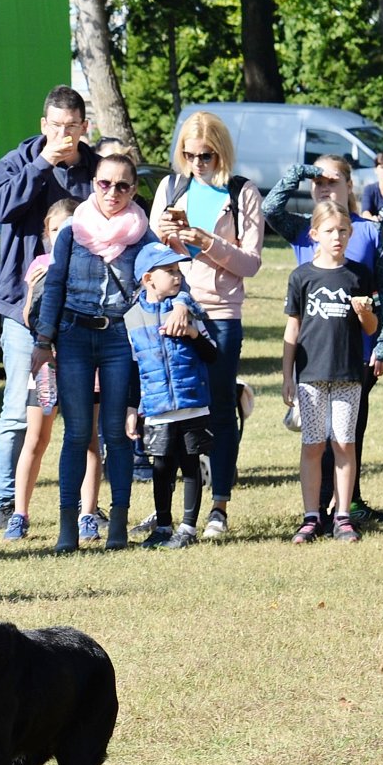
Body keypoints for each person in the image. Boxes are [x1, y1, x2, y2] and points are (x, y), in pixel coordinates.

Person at [32, 152, 160, 552]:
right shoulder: (72, 231)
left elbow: (169, 274)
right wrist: (42, 341)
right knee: (76, 434)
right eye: (105, 184)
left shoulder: (142, 234)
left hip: (119, 338)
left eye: (123, 186)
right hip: (73, 335)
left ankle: (117, 523)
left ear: (134, 190)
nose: (113, 193)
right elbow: (53, 287)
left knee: (119, 435)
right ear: (93, 184)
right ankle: (68, 526)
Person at [0, 86, 100, 531]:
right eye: (56, 126)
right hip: (22, 308)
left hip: (83, 309)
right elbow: (0, 209)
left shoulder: (96, 171)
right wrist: (44, 163)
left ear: (84, 127)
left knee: (83, 411)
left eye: (71, 127)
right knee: (20, 409)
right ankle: (8, 500)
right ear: (43, 125)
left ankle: (87, 505)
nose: (64, 135)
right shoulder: (17, 162)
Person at [261, 155, 383, 522]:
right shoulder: (305, 228)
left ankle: (349, 502)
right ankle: (318, 507)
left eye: (331, 181)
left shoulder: (367, 230)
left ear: (349, 186)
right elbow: (270, 207)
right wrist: (303, 172)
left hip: (359, 347)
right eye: (317, 183)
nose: (323, 187)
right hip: (316, 348)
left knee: (350, 429)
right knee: (318, 435)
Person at [150, 111, 263, 539]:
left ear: (222, 153)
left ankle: (220, 505)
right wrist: (161, 233)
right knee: (177, 407)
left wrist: (208, 242)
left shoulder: (242, 192)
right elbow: (154, 255)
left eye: (207, 155)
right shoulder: (170, 187)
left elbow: (251, 262)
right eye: (190, 154)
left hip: (220, 312)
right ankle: (178, 508)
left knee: (217, 407)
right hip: (176, 307)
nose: (198, 163)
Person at [283, 200, 379, 544]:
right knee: (312, 445)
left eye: (342, 231)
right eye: (329, 231)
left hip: (348, 373)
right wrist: (286, 376)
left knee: (344, 443)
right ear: (314, 235)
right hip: (310, 375)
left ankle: (342, 515)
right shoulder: (302, 276)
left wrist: (365, 311)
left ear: (351, 233)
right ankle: (312, 516)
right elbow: (292, 329)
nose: (336, 236)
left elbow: (371, 328)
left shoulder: (359, 274)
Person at [6, 199, 101, 542]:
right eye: (59, 229)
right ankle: (19, 513)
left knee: (88, 438)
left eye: (73, 229)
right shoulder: (41, 265)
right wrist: (35, 289)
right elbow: (29, 316)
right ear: (48, 233)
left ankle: (88, 514)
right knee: (36, 437)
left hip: (86, 363)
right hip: (48, 365)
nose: (65, 236)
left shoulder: (93, 264)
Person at [124, 242, 219, 549]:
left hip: (191, 404)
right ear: (148, 279)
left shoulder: (188, 309)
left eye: (179, 270)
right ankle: (163, 526)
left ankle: (188, 528)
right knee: (161, 467)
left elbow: (212, 353)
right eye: (169, 271)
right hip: (156, 408)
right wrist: (131, 408)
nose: (177, 277)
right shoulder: (131, 319)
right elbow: (132, 369)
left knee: (190, 465)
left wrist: (192, 333)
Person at [362, 152, 383, 223]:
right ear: (376, 170)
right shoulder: (369, 189)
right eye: (382, 167)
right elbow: (365, 212)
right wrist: (372, 218)